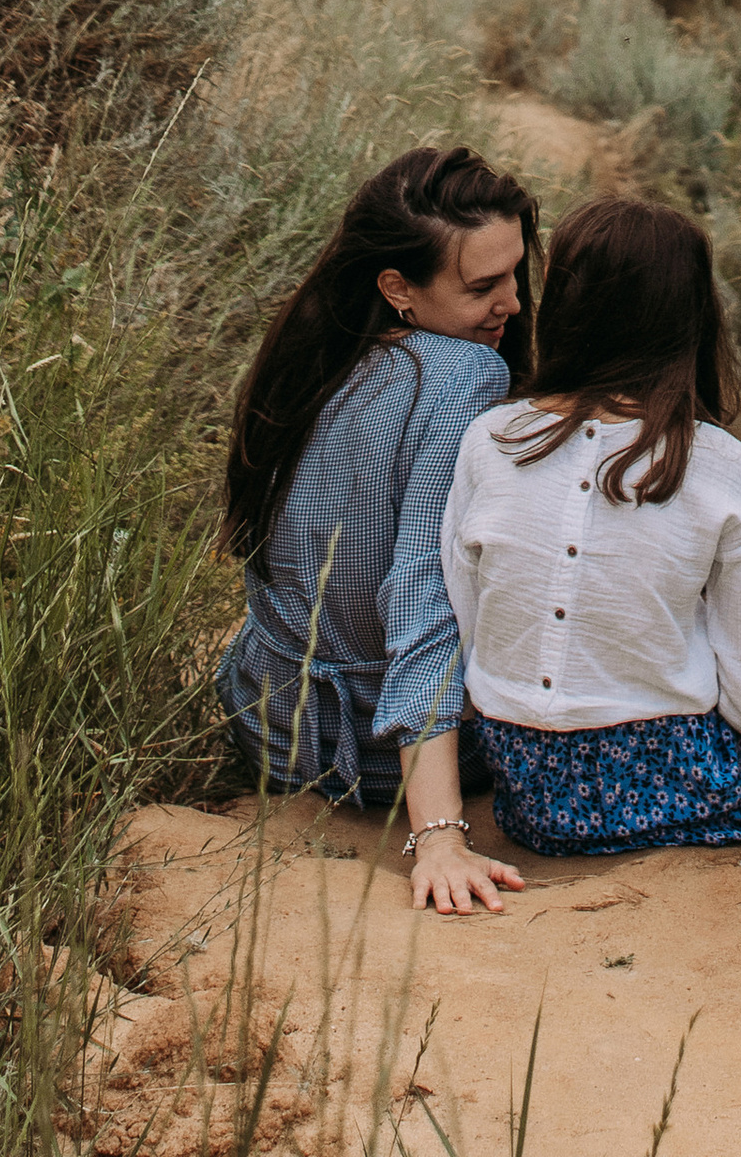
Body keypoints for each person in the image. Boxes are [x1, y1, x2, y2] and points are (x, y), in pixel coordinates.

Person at [438, 192, 741, 858]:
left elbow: (473, 627)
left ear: (561, 307)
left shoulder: (489, 440)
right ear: (692, 318)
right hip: (681, 787)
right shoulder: (718, 465)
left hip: (529, 793)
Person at [216, 142, 537, 915]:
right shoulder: (466, 375)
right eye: (484, 286)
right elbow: (420, 598)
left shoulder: (314, 355)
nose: (515, 303)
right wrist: (442, 836)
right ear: (398, 286)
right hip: (381, 762)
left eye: (518, 273)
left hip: (272, 728)